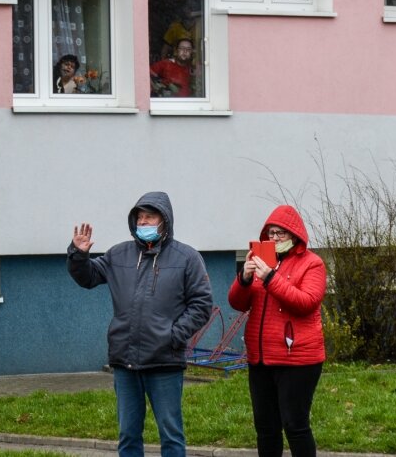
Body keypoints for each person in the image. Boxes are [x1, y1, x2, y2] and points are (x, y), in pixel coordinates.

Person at [67, 191, 213, 457]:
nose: (144, 223)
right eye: (140, 218)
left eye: (150, 217)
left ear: (164, 221)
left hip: (164, 362)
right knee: (128, 435)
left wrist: (173, 335)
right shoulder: (118, 255)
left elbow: (201, 304)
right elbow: (87, 278)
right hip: (126, 362)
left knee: (171, 435)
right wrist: (78, 255)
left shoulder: (186, 257)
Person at [227, 205, 327, 457]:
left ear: (295, 236)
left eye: (281, 233)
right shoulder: (259, 263)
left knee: (295, 425)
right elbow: (237, 303)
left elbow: (305, 303)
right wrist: (245, 278)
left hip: (298, 360)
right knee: (266, 428)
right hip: (261, 359)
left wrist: (271, 278)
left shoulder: (312, 264)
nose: (274, 238)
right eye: (270, 233)